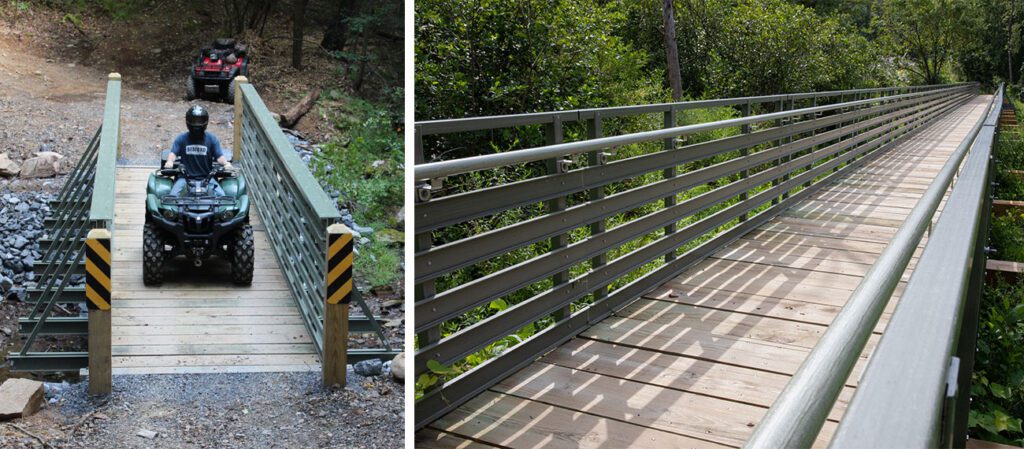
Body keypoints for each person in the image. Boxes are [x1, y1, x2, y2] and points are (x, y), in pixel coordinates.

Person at [165, 105, 233, 196]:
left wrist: (226, 163)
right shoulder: (181, 138)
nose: (197, 124)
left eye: (199, 121)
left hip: (207, 178)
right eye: (194, 120)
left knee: (222, 198)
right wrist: (169, 161)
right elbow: (173, 153)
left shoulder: (211, 139)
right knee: (172, 197)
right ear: (188, 121)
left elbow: (219, 156)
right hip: (185, 178)